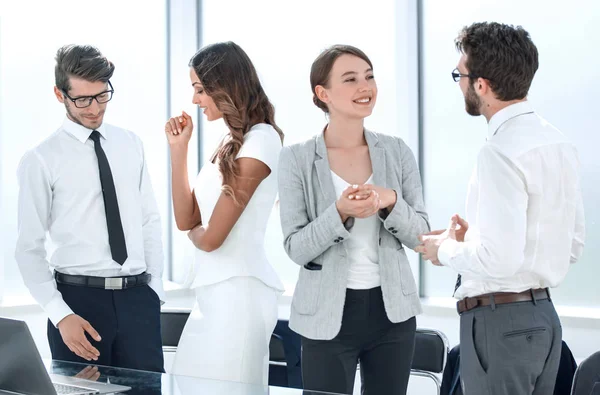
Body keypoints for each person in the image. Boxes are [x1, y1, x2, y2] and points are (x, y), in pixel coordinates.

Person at [416, 22, 586, 395]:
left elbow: (501, 260)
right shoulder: (559, 143)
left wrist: (443, 250)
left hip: (501, 324)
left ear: (481, 85)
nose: (459, 82)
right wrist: (471, 239)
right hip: (544, 319)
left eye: (459, 74)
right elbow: (570, 244)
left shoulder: (498, 152)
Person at [278, 44, 429, 395]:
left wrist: (390, 201)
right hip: (326, 315)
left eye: (369, 76)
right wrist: (340, 213)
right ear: (323, 93)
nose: (365, 86)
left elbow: (422, 235)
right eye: (350, 79)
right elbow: (295, 247)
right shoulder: (296, 159)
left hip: (392, 313)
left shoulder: (397, 151)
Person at [15, 44, 165, 372]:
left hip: (138, 299)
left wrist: (154, 292)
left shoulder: (131, 144)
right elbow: (28, 249)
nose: (94, 108)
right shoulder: (41, 159)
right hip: (78, 305)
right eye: (82, 99)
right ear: (60, 95)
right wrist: (61, 314)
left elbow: (149, 221)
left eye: (102, 95)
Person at [166, 41, 284, 385]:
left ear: (226, 86)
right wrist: (178, 151)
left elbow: (211, 238)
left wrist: (197, 233)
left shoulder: (261, 141)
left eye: (201, 89)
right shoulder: (231, 142)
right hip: (214, 295)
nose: (194, 100)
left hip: (239, 298)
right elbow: (187, 219)